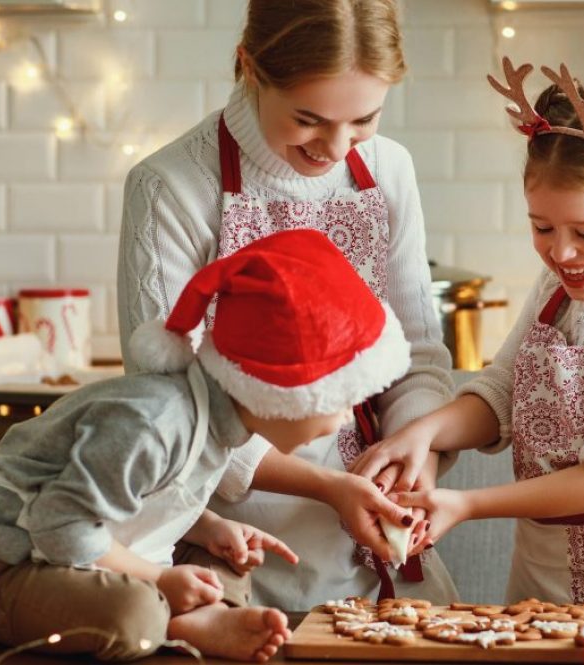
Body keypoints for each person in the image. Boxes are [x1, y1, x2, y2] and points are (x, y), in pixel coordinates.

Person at [116, 0, 457, 609]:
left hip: (379, 541)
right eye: (309, 119)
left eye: (364, 120)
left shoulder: (389, 170)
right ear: (249, 67)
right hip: (230, 544)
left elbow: (419, 354)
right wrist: (329, 488)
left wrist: (412, 459)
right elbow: (169, 406)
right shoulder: (171, 186)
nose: (335, 145)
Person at [0, 230, 416, 662]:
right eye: (341, 398)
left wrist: (207, 528)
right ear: (284, 395)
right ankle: (177, 621)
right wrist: (158, 580)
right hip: (7, 566)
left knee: (224, 564)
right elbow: (60, 527)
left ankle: (193, 617)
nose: (348, 415)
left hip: (92, 555)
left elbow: (146, 498)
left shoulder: (221, 421)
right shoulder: (155, 424)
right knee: (133, 614)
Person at [352, 58, 584, 605]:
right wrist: (419, 434)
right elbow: (501, 394)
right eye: (542, 227)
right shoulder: (554, 292)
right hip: (538, 583)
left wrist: (466, 503)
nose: (561, 252)